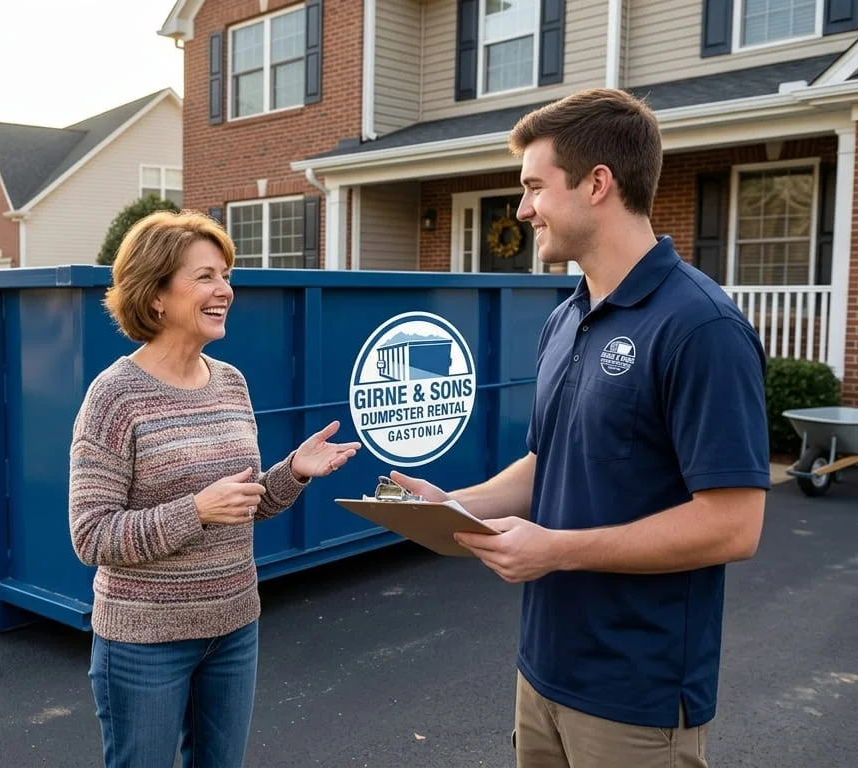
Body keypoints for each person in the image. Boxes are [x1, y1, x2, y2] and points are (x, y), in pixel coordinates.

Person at [392, 88, 769, 767]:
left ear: (598, 184)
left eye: (535, 187)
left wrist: (558, 550)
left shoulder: (701, 326)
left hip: (638, 694)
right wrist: (453, 506)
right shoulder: (567, 318)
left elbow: (733, 525)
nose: (522, 209)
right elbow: (550, 461)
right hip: (542, 672)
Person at [68, 210, 361, 768]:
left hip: (234, 627)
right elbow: (91, 536)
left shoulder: (230, 382)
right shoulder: (114, 397)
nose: (225, 289)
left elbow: (243, 503)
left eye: (226, 276)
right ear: (156, 295)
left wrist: (293, 472)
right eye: (205, 276)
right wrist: (196, 510)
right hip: (144, 642)